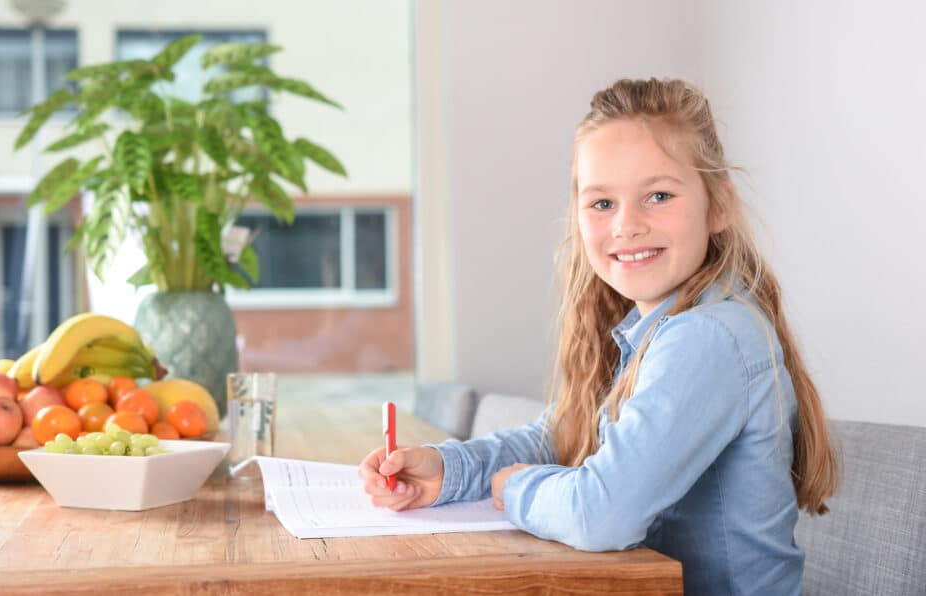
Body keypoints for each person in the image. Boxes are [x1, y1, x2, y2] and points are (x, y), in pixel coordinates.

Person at [358, 77, 838, 595]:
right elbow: (558, 438)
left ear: (718, 205)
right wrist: (447, 470)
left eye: (658, 196)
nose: (626, 225)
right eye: (602, 203)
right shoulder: (655, 331)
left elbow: (602, 514)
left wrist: (515, 488)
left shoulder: (707, 337)